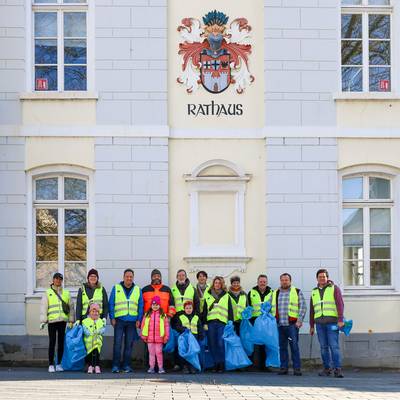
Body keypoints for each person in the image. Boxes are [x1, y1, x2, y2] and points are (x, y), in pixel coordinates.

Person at [310, 268, 345, 378]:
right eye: (320, 277)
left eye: (324, 277)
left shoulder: (334, 289)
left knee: (334, 346)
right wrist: (311, 326)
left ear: (327, 278)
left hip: (332, 323)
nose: (322, 278)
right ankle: (327, 369)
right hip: (319, 324)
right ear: (317, 278)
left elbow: (340, 304)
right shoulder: (314, 291)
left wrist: (340, 320)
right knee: (323, 347)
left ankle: (337, 369)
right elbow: (312, 309)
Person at [271, 273, 307, 376]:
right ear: (280, 281)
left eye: (286, 280)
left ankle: (297, 369)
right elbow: (270, 307)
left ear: (290, 281)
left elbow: (303, 307)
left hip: (292, 325)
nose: (284, 282)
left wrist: (299, 321)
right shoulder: (275, 293)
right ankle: (284, 368)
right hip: (280, 325)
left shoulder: (296, 292)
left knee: (294, 347)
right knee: (282, 347)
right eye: (282, 280)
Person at [109, 268, 143, 373]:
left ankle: (127, 366)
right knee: (117, 343)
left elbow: (140, 305)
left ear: (133, 278)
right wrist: (112, 317)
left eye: (131, 277)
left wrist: (139, 319)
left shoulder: (137, 289)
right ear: (123, 277)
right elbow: (111, 303)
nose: (129, 278)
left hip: (132, 321)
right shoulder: (116, 288)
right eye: (127, 276)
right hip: (119, 320)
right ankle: (115, 366)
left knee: (129, 344)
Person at [40, 272, 75, 373]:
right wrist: (43, 320)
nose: (58, 280)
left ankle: (59, 364)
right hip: (52, 321)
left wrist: (71, 320)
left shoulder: (66, 293)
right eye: (56, 278)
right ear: (53, 280)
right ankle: (51, 364)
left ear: (62, 281)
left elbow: (71, 307)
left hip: (62, 321)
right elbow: (43, 307)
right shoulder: (48, 293)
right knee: (52, 342)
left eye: (60, 279)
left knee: (61, 343)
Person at [202, 276, 234, 373]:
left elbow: (230, 310)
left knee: (220, 343)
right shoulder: (207, 294)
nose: (217, 284)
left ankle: (221, 364)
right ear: (213, 284)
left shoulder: (226, 295)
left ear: (222, 284)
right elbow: (204, 310)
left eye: (219, 283)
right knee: (212, 344)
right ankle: (215, 364)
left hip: (222, 323)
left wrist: (230, 322)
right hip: (211, 322)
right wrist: (204, 322)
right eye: (216, 283)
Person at [171, 269, 200, 371]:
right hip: (176, 319)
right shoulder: (173, 289)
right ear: (176, 277)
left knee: (188, 343)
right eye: (179, 275)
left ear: (186, 276)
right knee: (177, 342)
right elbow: (171, 303)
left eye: (183, 275)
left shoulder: (192, 289)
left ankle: (189, 365)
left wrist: (195, 316)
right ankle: (177, 363)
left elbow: (197, 303)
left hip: (189, 318)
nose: (181, 277)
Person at [248, 274, 273, 371]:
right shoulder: (251, 292)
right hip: (255, 321)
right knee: (255, 344)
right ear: (257, 282)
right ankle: (255, 365)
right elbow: (249, 307)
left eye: (264, 282)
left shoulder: (272, 293)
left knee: (266, 344)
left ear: (267, 283)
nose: (262, 283)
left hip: (267, 321)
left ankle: (265, 366)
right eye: (260, 281)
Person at [172, 300, 204, 374]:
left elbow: (200, 327)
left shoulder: (196, 317)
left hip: (194, 337)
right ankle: (185, 367)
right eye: (187, 308)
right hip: (185, 337)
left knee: (192, 352)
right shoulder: (181, 317)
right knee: (185, 352)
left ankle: (192, 366)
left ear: (192, 309)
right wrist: (183, 329)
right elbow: (176, 326)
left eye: (190, 308)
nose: (188, 310)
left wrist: (201, 335)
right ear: (184, 309)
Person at [140, 296, 170, 374]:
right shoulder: (147, 315)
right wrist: (143, 335)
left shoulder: (163, 315)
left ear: (159, 305)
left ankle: (160, 367)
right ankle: (151, 367)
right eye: (153, 304)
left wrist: (166, 336)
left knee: (159, 353)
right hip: (149, 339)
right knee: (151, 354)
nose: (155, 306)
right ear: (151, 305)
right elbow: (143, 325)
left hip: (159, 338)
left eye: (157, 304)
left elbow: (166, 326)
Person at [82, 303, 106, 374]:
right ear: (89, 312)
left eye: (97, 312)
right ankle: (90, 366)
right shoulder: (86, 321)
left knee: (97, 354)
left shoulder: (100, 321)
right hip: (89, 343)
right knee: (89, 355)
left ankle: (97, 366)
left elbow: (103, 329)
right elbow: (84, 329)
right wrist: (88, 332)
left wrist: (99, 331)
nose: (95, 313)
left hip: (97, 342)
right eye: (93, 311)